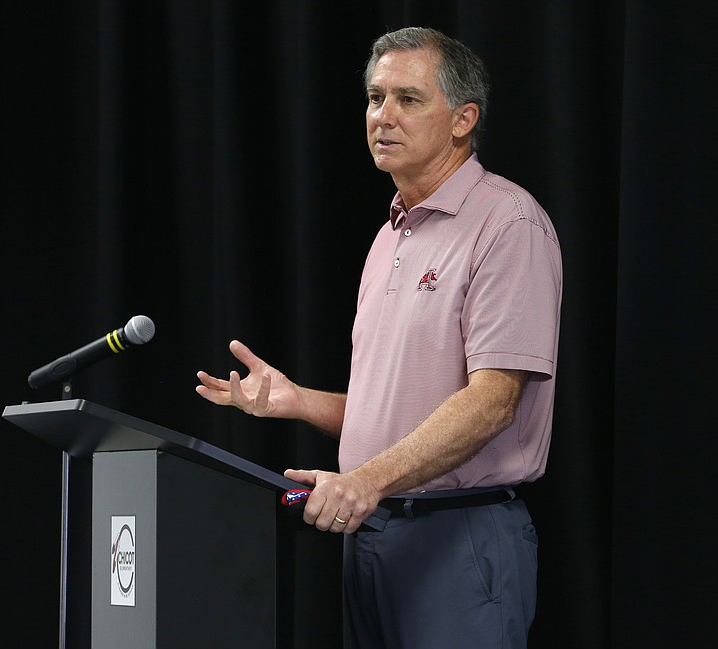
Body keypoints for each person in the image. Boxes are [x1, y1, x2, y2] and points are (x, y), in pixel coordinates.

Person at [196, 26, 562, 649]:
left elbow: (495, 399)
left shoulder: (508, 224)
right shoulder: (391, 235)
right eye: (374, 98)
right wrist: (297, 401)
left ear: (462, 119)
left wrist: (365, 481)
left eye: (408, 100)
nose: (381, 117)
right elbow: (401, 416)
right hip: (372, 536)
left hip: (460, 537)